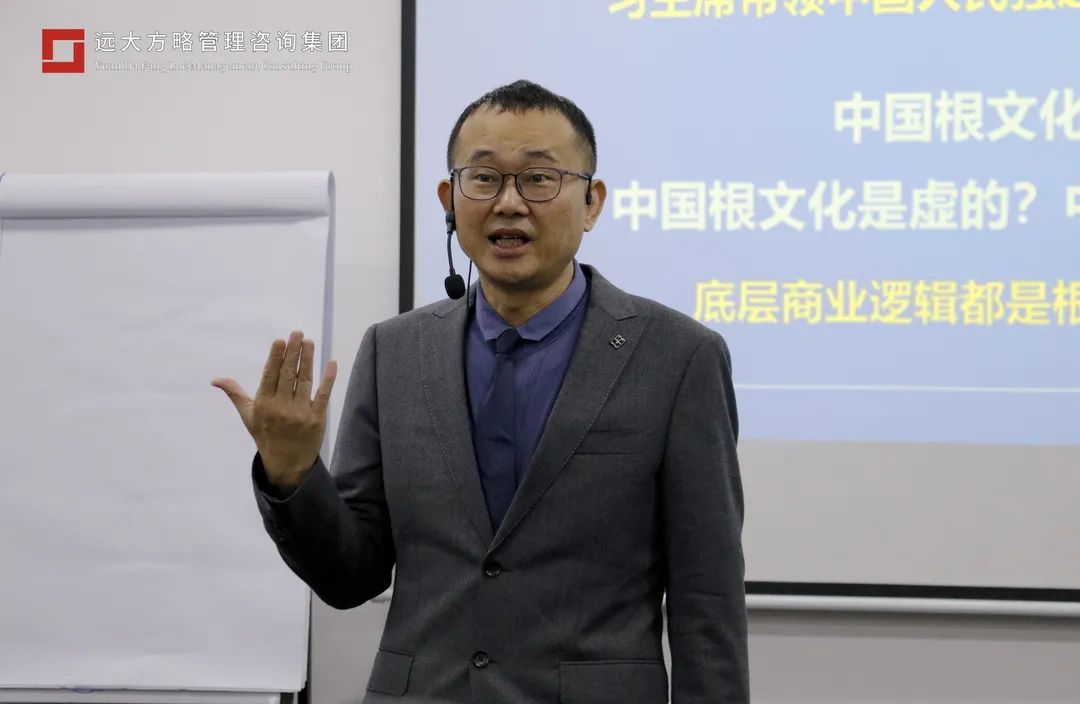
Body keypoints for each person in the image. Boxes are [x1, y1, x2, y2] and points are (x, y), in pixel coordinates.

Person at [213, 79, 748, 704]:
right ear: (449, 199)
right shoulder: (394, 351)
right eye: (484, 178)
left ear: (592, 202)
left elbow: (707, 598)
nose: (509, 203)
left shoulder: (678, 356)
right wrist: (292, 473)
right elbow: (351, 575)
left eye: (540, 179)